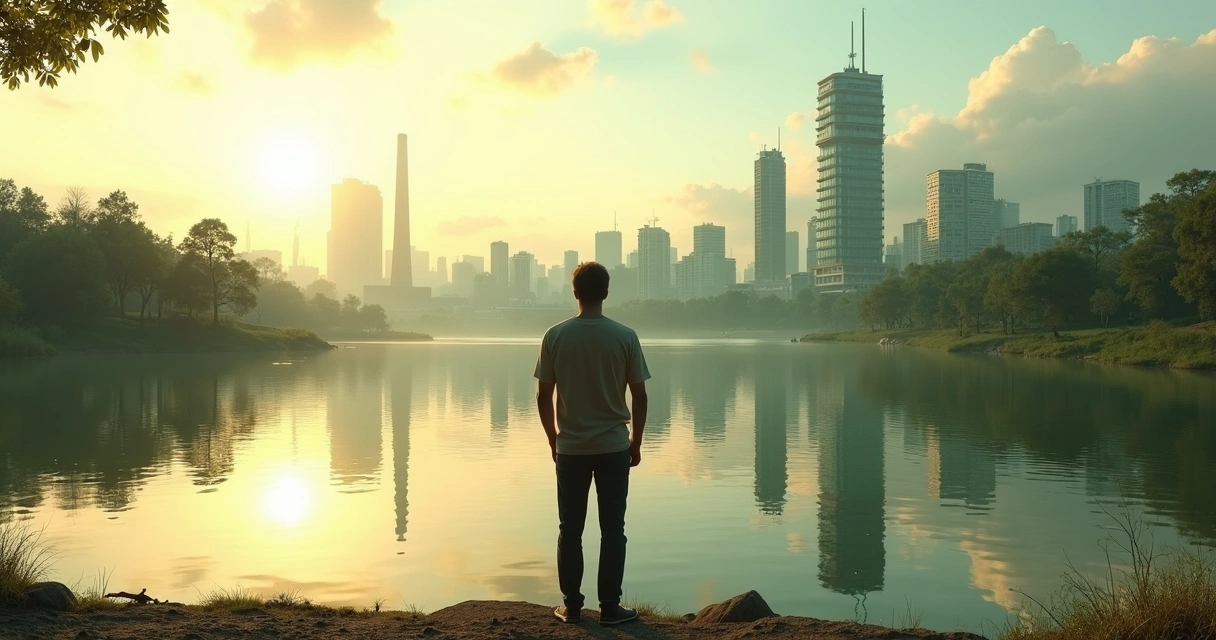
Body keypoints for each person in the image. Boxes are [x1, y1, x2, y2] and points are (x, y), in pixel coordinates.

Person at [534, 261, 650, 626]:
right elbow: (640, 396)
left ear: (575, 293)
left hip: (571, 449)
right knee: (613, 528)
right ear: (606, 292)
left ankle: (572, 608)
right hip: (614, 447)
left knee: (570, 530)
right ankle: (610, 608)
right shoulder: (625, 336)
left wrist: (553, 439)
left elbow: (543, 396)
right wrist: (635, 442)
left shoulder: (555, 336)